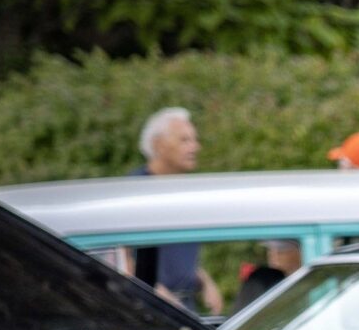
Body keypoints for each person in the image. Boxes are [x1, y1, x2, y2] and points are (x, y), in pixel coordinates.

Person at [127, 107, 221, 315]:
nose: (195, 147)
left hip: (185, 306)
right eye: (184, 140)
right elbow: (120, 254)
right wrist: (155, 292)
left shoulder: (182, 190)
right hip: (150, 310)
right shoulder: (134, 191)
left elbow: (174, 251)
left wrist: (205, 282)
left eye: (194, 140)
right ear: (158, 145)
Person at [233, 240, 303, 310]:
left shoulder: (305, 282)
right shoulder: (263, 281)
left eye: (281, 252)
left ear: (299, 253)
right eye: (270, 250)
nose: (274, 256)